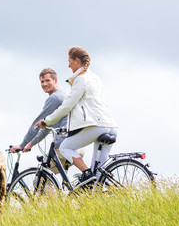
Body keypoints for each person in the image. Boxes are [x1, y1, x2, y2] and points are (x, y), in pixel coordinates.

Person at [35, 46, 118, 187]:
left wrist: (47, 121)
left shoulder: (81, 80)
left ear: (77, 60)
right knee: (99, 176)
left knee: (65, 147)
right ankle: (105, 192)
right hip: (110, 125)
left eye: (69, 61)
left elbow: (67, 106)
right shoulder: (95, 78)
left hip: (96, 126)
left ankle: (87, 174)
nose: (68, 65)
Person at [10, 68, 78, 172]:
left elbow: (37, 125)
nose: (45, 84)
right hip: (76, 144)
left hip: (63, 146)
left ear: (55, 80)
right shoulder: (63, 95)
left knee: (42, 181)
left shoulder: (54, 99)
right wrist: (30, 144)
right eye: (42, 81)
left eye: (48, 80)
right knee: (57, 181)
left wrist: (22, 144)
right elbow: (46, 128)